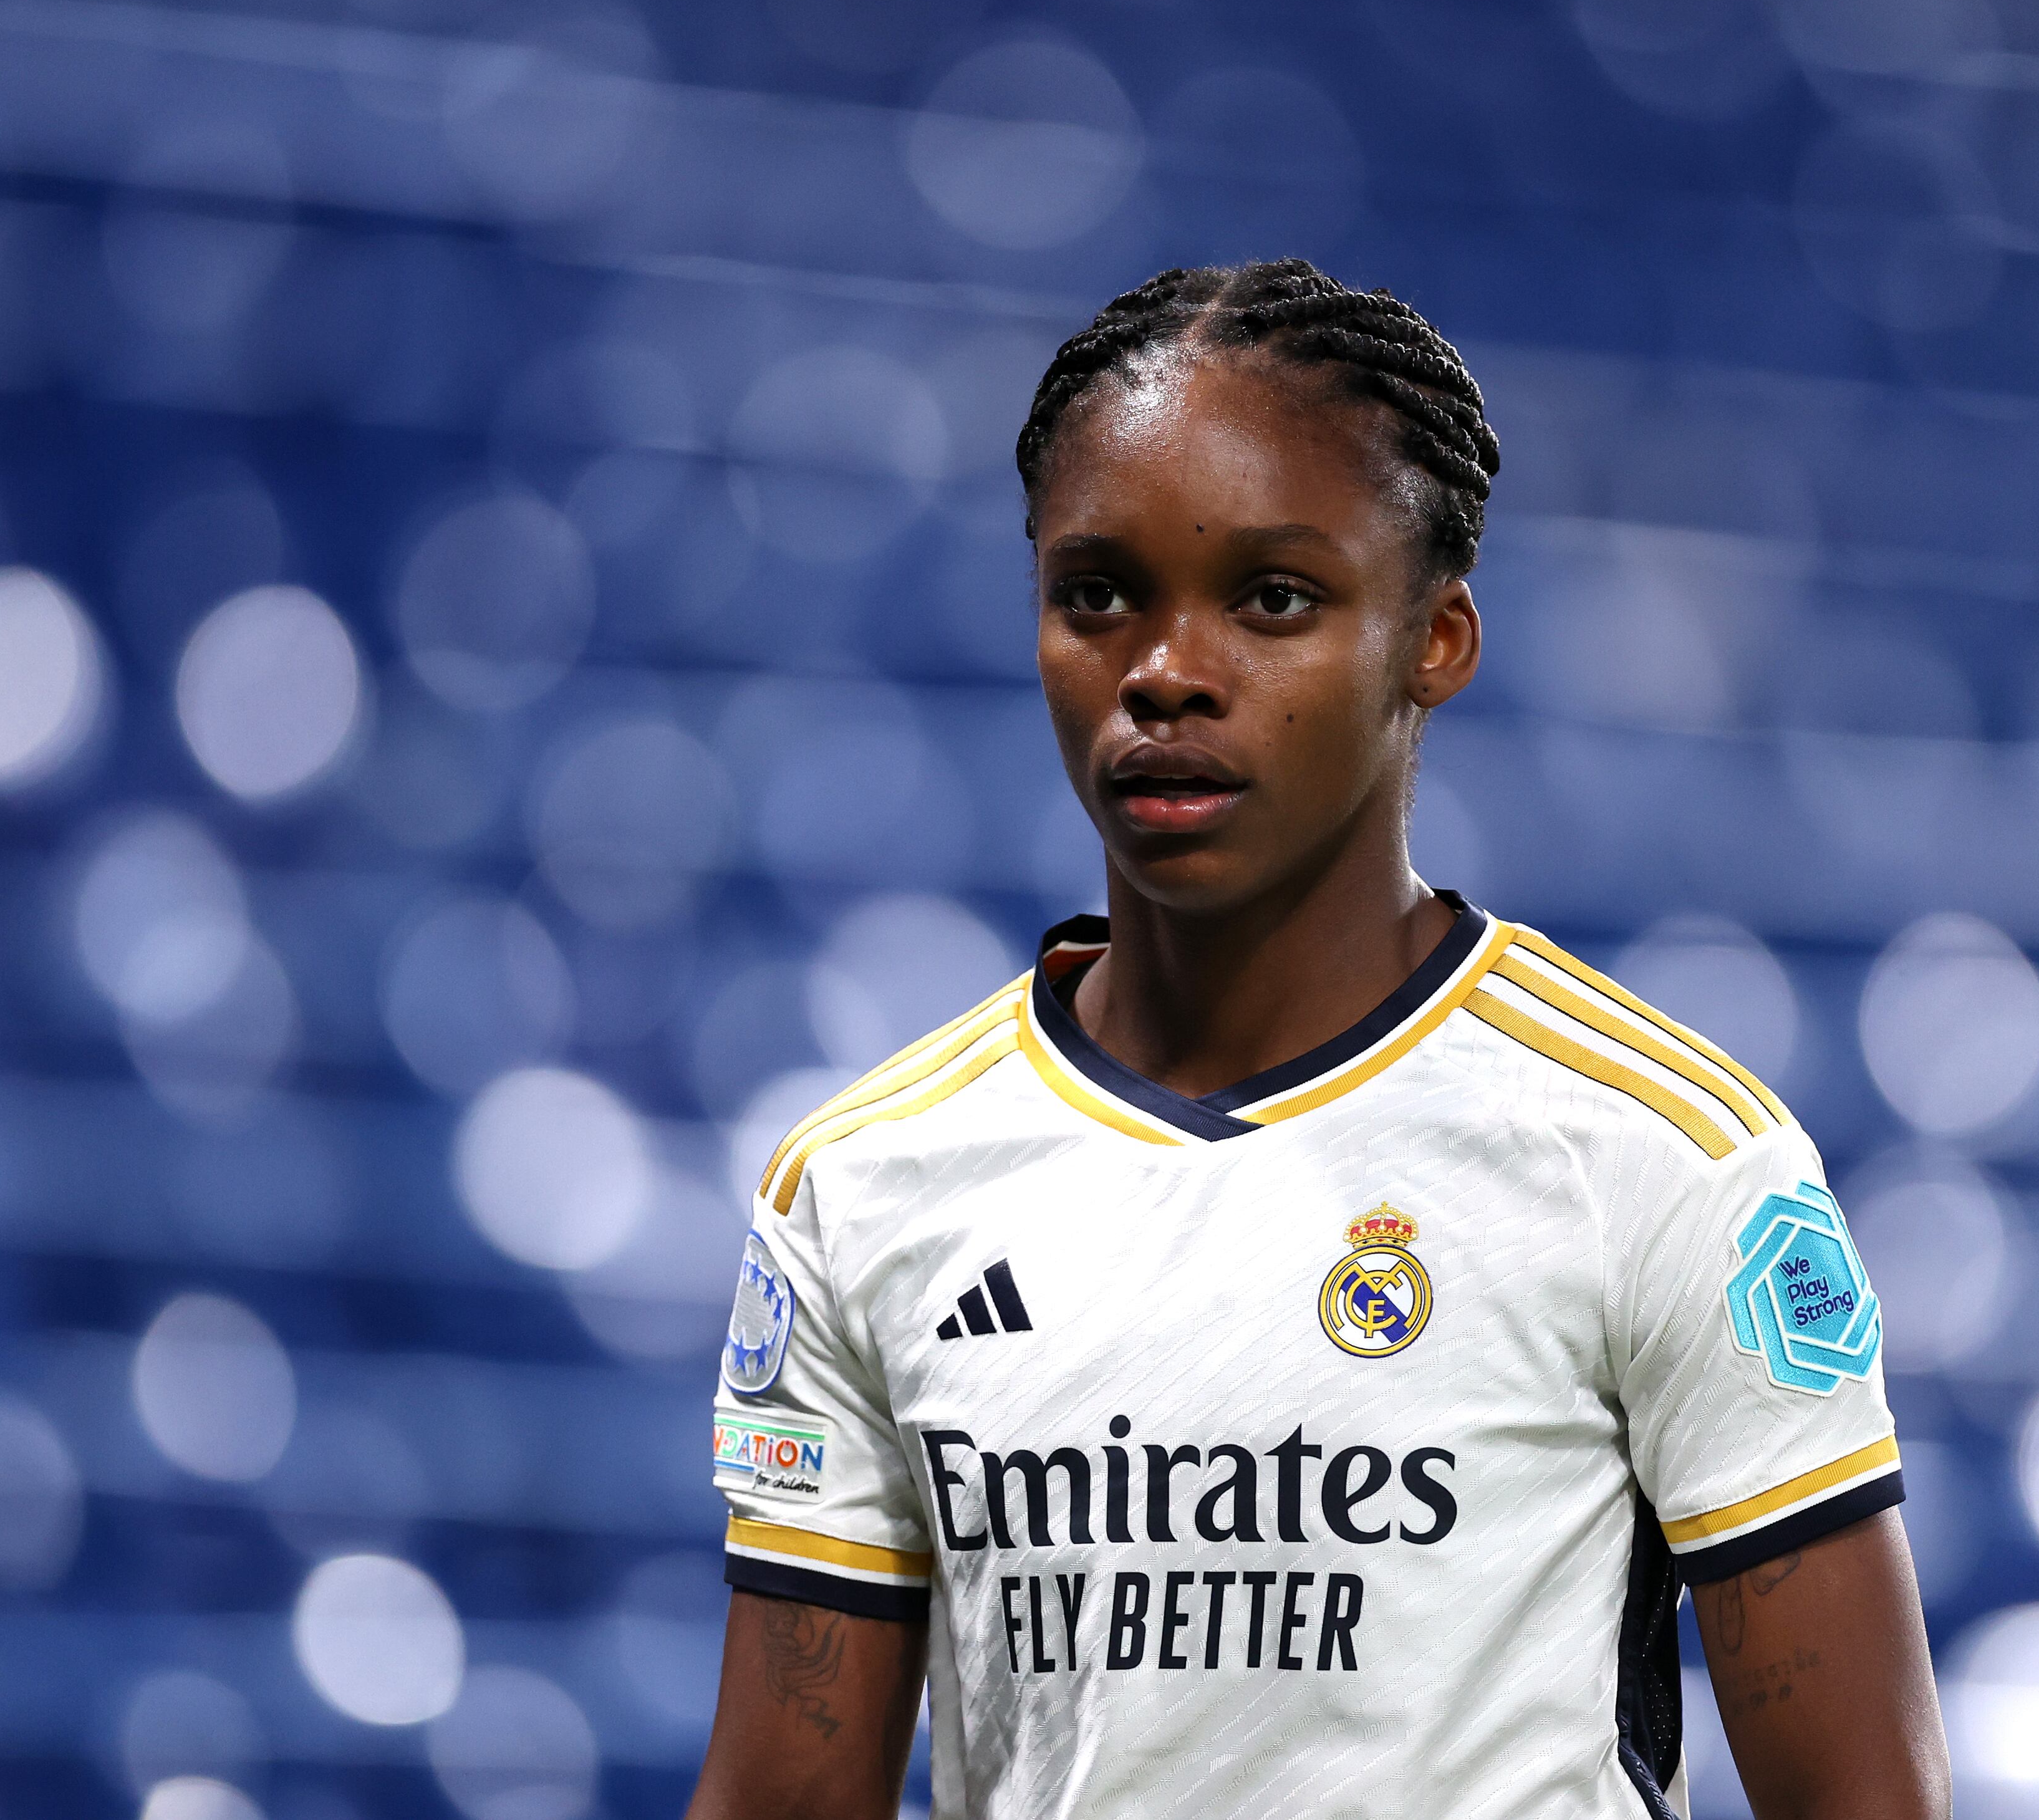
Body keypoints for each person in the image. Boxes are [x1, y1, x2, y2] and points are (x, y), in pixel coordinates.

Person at [685, 259, 1949, 1820]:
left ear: (1436, 639)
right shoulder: (865, 1185)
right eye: (1098, 594)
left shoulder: (1663, 1157)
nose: (1164, 670)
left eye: (1272, 598)